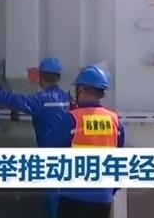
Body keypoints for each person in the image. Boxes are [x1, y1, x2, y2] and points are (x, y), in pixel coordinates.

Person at [0, 57, 70, 218]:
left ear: (41, 77)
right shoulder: (67, 98)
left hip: (50, 158)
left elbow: (18, 101)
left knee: (52, 201)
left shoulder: (42, 100)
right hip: (68, 156)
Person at [44, 65, 125, 218]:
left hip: (74, 197)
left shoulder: (73, 118)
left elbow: (49, 144)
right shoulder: (114, 120)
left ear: (81, 90)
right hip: (103, 199)